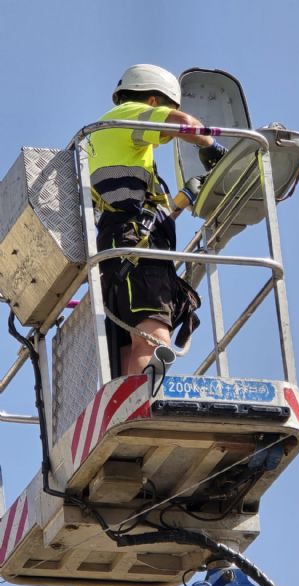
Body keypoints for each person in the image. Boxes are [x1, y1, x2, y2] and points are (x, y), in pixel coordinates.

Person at [88, 64, 227, 376]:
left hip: (116, 248)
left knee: (129, 344)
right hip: (138, 250)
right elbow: (185, 124)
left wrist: (182, 198)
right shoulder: (133, 113)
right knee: (152, 339)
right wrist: (213, 147)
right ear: (152, 101)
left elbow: (131, 205)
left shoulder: (104, 137)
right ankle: (145, 402)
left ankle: (128, 400)